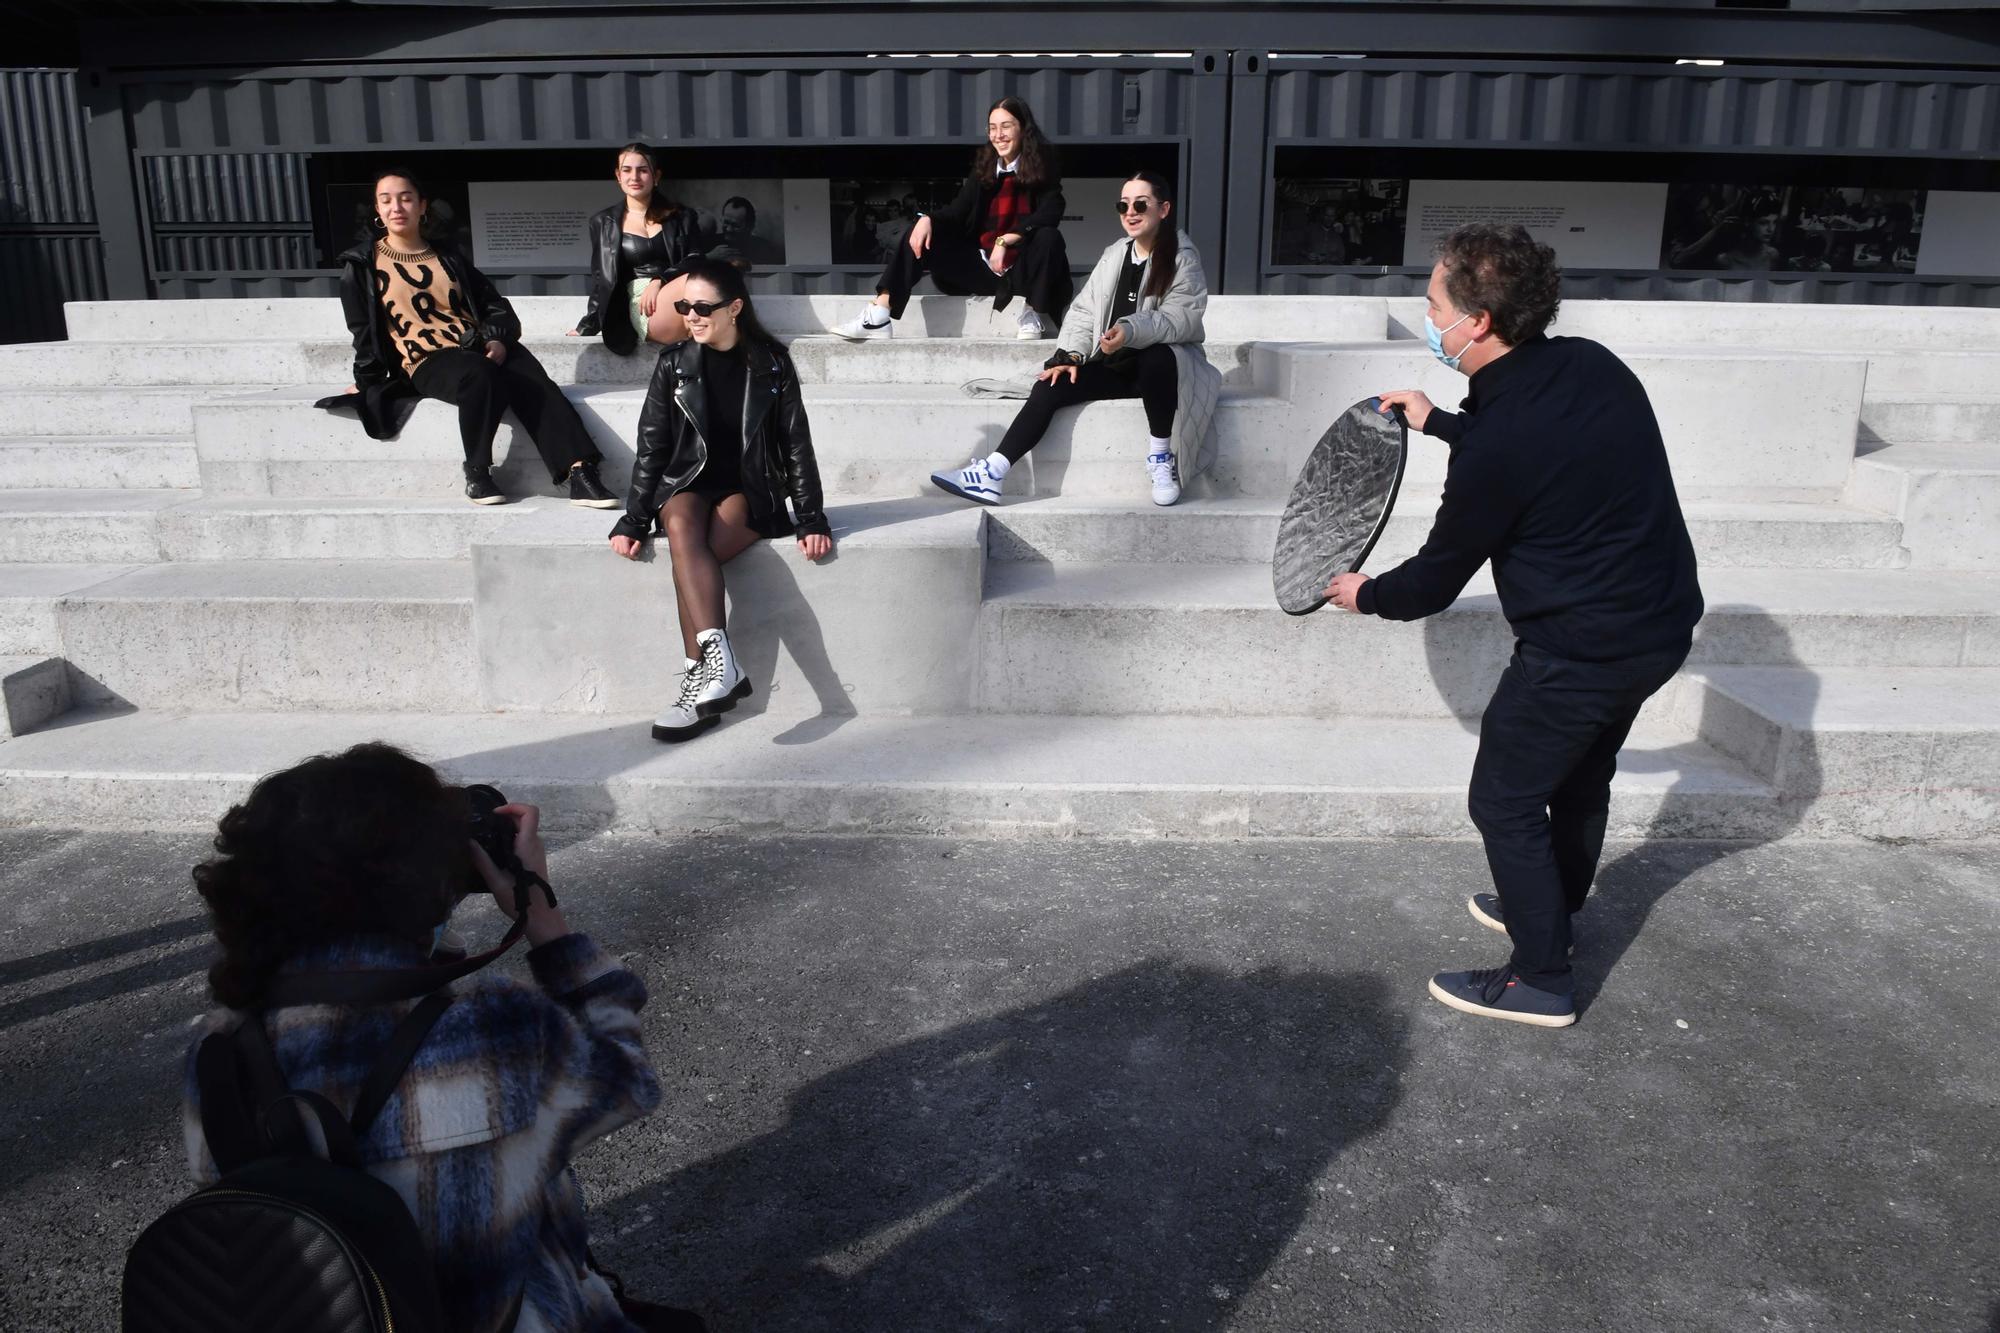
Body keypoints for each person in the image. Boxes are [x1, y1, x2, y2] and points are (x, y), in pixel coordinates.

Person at [181, 742, 700, 1332]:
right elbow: (629, 1078)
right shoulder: (493, 1029)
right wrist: (544, 921)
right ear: (427, 885)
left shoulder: (217, 1053)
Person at [1329, 223, 1704, 1029]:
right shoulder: (1590, 365)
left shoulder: (1499, 445)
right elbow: (1536, 449)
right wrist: (1440, 423)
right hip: (1660, 626)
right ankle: (1552, 906)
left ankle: (1540, 977)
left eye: (1433, 302)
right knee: (1578, 775)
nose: (1425, 314)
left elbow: (1433, 580)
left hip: (1581, 649)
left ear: (1479, 323)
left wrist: (1365, 593)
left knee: (1502, 798)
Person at [610, 258, 835, 742]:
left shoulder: (772, 362)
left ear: (734, 308)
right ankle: (719, 665)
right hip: (687, 483)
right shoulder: (674, 364)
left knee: (690, 560)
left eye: (701, 307)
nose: (690, 316)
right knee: (680, 525)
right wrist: (632, 520)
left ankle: (700, 685)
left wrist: (811, 517)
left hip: (749, 487)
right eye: (683, 305)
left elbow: (796, 442)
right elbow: (653, 448)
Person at [323, 168, 619, 508]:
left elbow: (493, 304)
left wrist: (497, 340)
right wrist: (366, 381)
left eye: (405, 199)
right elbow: (362, 330)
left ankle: (580, 472)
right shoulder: (362, 264)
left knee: (528, 373)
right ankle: (477, 471)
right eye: (386, 200)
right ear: (377, 210)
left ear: (422, 206)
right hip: (425, 360)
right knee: (479, 374)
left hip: (474, 346)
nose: (396, 207)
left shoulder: (447, 255)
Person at [930, 171, 1218, 509]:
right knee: (1051, 382)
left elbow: (1181, 317)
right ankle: (993, 473)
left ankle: (1160, 459)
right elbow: (1083, 310)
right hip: (1113, 363)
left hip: (1164, 373)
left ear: (1164, 209)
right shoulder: (1115, 253)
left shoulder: (1183, 257)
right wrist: (1070, 355)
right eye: (1123, 205)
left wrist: (1129, 330)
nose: (1131, 212)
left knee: (1157, 358)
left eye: (1141, 204)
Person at [833, 96, 1072, 342]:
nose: (998, 134)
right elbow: (957, 211)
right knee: (922, 230)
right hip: (983, 269)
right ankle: (879, 313)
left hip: (1024, 271)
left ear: (1023, 128)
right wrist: (927, 219)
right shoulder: (984, 170)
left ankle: (1031, 311)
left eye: (1006, 126)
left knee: (1049, 237)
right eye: (992, 128)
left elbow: (1052, 210)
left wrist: (1008, 239)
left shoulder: (1043, 166)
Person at [571, 143, 718, 354]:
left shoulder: (682, 216)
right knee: (710, 281)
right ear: (618, 176)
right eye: (627, 170)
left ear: (656, 176)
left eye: (643, 170)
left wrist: (661, 280)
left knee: (707, 284)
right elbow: (601, 278)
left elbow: (696, 257)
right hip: (641, 303)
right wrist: (588, 325)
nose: (635, 177)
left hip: (681, 291)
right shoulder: (603, 222)